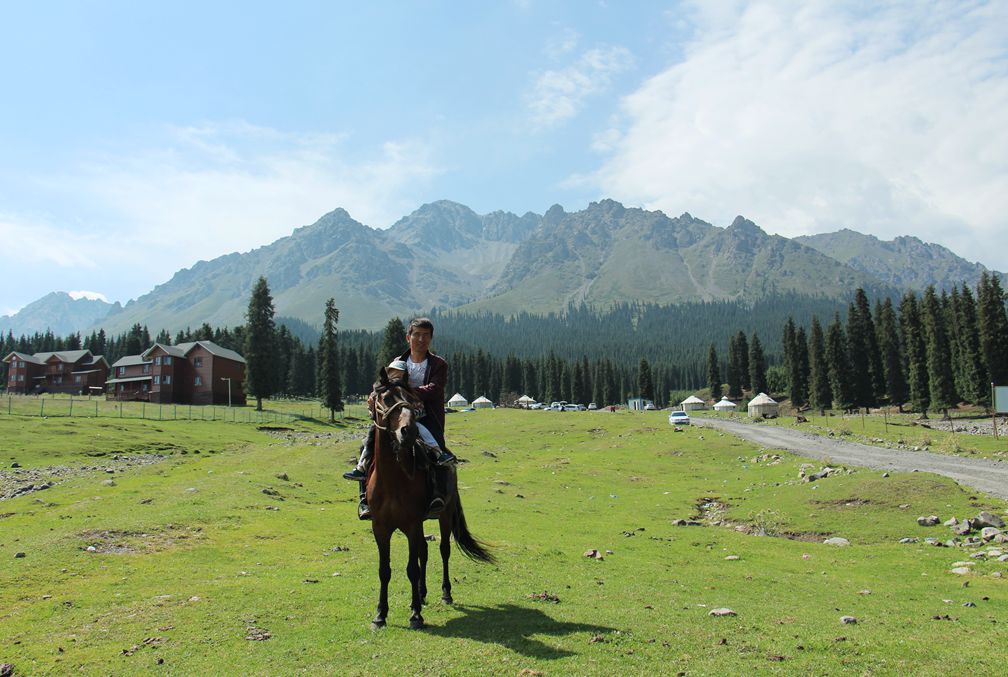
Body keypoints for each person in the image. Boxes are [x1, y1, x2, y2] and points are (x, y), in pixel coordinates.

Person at [344, 317, 456, 518]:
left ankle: (436, 495)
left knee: (437, 455)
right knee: (369, 440)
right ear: (408, 337)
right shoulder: (398, 362)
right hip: (398, 415)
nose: (421, 339)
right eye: (417, 335)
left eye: (425, 335)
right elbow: (385, 384)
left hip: (427, 417)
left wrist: (406, 392)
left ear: (431, 338)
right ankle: (364, 495)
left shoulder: (439, 364)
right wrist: (374, 396)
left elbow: (434, 389)